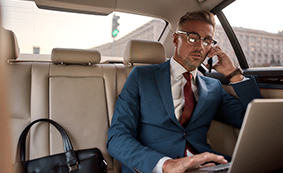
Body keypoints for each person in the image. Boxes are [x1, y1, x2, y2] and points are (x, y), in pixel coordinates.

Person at [107, 10, 262, 173]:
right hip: (156, 167)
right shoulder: (141, 77)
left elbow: (256, 122)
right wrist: (165, 165)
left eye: (207, 41)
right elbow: (117, 138)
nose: (200, 46)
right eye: (193, 37)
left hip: (205, 166)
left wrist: (233, 74)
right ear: (175, 39)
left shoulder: (213, 87)